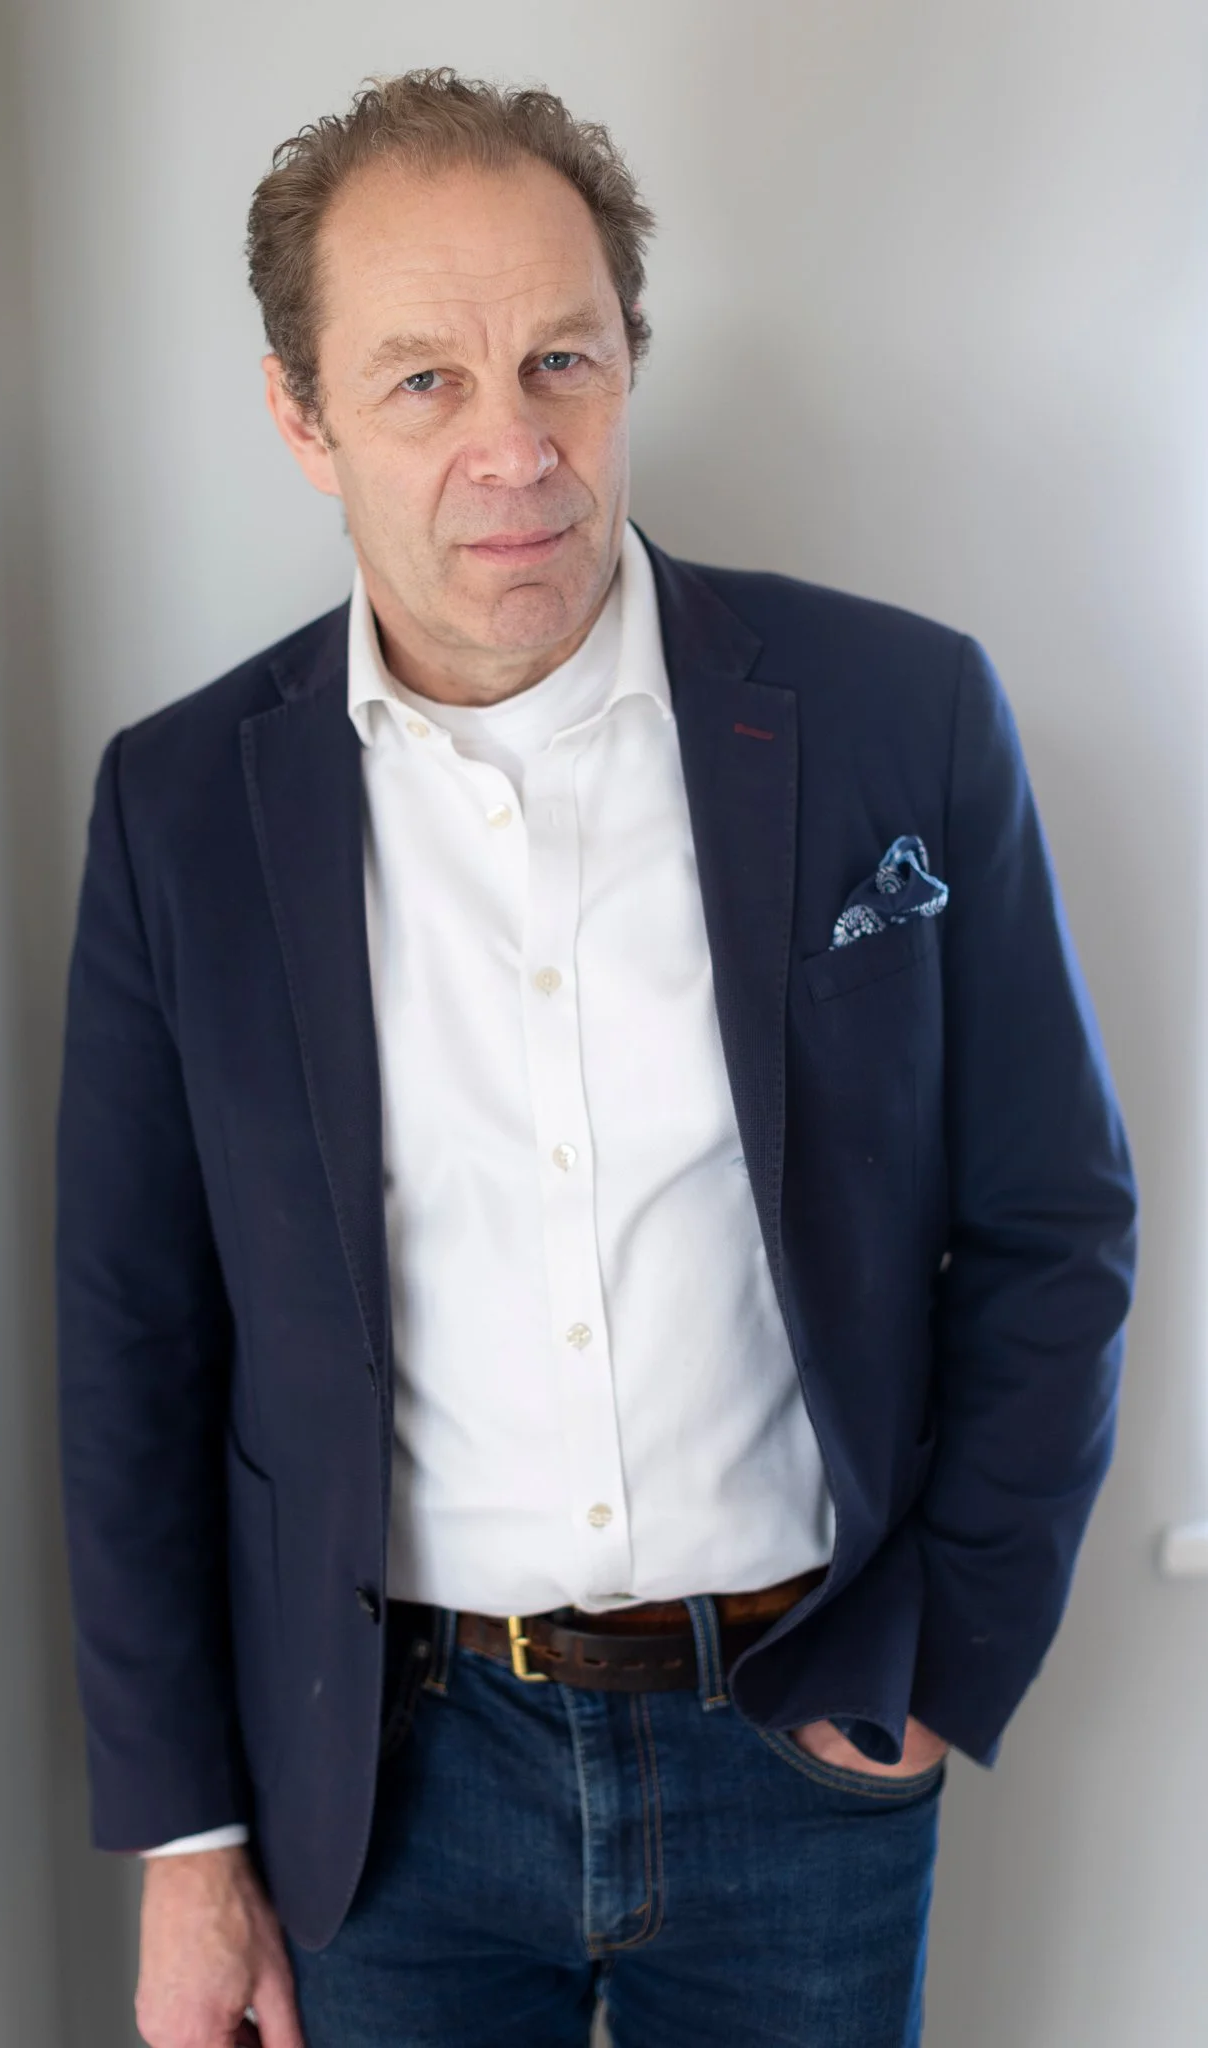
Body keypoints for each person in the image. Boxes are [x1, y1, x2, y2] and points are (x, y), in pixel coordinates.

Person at [55, 66, 1137, 2048]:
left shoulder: (896, 716)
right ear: (298, 416)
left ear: (627, 353)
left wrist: (932, 1661)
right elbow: (132, 1349)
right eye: (420, 384)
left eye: (560, 358)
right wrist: (189, 1848)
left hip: (800, 1743)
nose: (512, 446)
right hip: (374, 1788)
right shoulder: (178, 811)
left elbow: (1051, 1225)